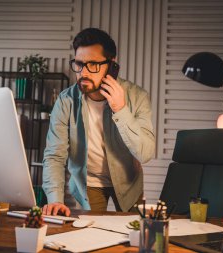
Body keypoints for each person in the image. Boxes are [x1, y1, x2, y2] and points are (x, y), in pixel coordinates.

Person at [42, 28, 155, 216]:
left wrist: (120, 109)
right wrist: (55, 200)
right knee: (91, 233)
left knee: (133, 234)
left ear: (112, 65)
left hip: (128, 182)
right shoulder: (65, 101)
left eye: (93, 64)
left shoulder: (138, 96)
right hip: (89, 183)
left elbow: (145, 153)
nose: (83, 73)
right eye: (79, 64)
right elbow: (55, 156)